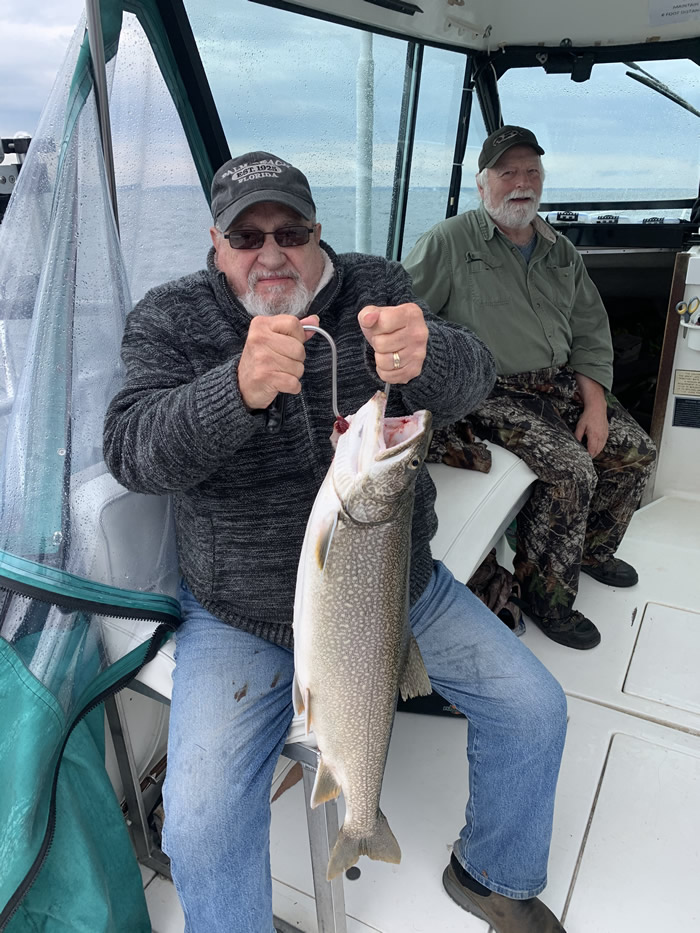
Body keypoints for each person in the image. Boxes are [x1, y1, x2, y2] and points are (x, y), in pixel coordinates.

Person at [103, 150, 569, 933]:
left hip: (395, 581)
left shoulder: (376, 286)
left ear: (318, 231)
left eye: (291, 229)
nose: (271, 251)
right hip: (238, 611)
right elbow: (132, 450)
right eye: (247, 237)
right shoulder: (170, 316)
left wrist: (432, 355)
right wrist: (235, 389)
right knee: (201, 824)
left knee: (535, 707)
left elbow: (471, 376)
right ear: (215, 242)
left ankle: (493, 874)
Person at [403, 126, 657, 651]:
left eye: (532, 172)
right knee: (569, 468)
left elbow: (589, 330)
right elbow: (404, 316)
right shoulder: (449, 241)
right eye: (507, 172)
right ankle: (547, 597)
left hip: (556, 382)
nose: (522, 183)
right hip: (486, 390)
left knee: (636, 452)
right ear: (481, 184)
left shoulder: (559, 249)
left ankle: (589, 551)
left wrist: (595, 405)